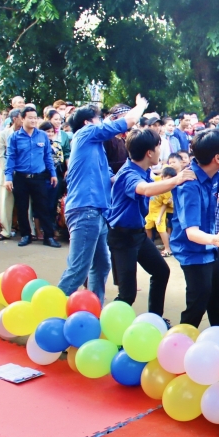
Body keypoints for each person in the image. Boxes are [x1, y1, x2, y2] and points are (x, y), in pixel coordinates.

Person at [57, 97, 148, 303]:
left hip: (97, 211)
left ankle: (93, 308)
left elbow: (113, 178)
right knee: (79, 269)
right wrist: (141, 105)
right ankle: (49, 310)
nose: (103, 121)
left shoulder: (95, 149)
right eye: (99, 118)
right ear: (88, 122)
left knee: (101, 265)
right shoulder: (85, 133)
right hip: (85, 209)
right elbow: (128, 121)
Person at [107, 128, 195, 321]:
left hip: (137, 235)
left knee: (161, 271)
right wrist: (177, 179)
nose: (159, 150)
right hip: (122, 238)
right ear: (149, 153)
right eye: (157, 147)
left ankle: (154, 319)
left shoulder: (143, 170)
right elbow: (145, 190)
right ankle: (108, 326)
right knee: (127, 294)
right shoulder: (129, 174)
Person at [171, 128, 219, 328]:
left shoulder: (218, 173)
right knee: (198, 300)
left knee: (216, 294)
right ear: (217, 157)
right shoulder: (189, 184)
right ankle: (179, 341)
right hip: (192, 250)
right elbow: (191, 232)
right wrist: (216, 239)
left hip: (210, 247)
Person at [5, 105, 60, 248]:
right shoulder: (14, 137)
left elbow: (48, 156)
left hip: (39, 177)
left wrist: (52, 174)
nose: (33, 121)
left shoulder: (42, 135)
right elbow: (10, 158)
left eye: (35, 118)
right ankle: (25, 235)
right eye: (30, 118)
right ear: (22, 119)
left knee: (43, 207)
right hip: (21, 177)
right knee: (22, 207)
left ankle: (48, 236)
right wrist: (8, 177)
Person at [0, 109, 22, 240]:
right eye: (23, 117)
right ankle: (5, 230)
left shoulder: (29, 134)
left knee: (25, 203)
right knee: (5, 202)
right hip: (6, 172)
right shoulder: (3, 135)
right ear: (15, 119)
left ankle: (28, 231)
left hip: (23, 173)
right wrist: (9, 173)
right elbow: (1, 156)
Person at [145, 166, 176, 257]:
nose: (170, 181)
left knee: (161, 229)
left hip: (159, 211)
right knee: (147, 227)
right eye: (168, 179)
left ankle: (168, 248)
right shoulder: (156, 180)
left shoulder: (167, 190)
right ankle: (149, 246)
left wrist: (159, 216)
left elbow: (165, 204)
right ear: (162, 177)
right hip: (150, 210)